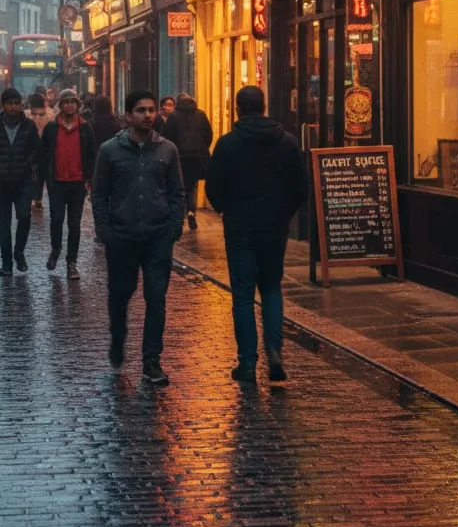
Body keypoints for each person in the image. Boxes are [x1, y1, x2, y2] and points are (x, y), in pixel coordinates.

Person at [205, 86, 307, 383]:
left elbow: (213, 186)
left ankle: (248, 362)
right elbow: (300, 186)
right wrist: (284, 213)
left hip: (240, 228)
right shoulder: (286, 142)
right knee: (272, 289)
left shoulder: (228, 145)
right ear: (263, 106)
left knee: (243, 295)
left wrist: (227, 209)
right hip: (274, 228)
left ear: (238, 108)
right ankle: (274, 351)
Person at [92, 90, 184, 386]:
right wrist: (105, 232)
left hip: (157, 236)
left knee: (156, 299)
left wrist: (173, 227)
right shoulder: (109, 151)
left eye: (151, 110)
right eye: (141, 110)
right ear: (129, 115)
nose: (148, 115)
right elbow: (99, 195)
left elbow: (177, 192)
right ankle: (118, 341)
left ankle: (151, 360)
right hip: (122, 236)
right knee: (120, 295)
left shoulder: (168, 150)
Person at [0, 88, 40, 276]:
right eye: (9, 103)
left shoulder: (29, 126)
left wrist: (28, 164)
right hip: (1, 183)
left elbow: (36, 149)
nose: (13, 107)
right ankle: (6, 262)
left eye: (16, 103)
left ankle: (19, 252)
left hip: (22, 181)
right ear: (3, 105)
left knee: (24, 217)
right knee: (3, 224)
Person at [39, 89, 96, 281]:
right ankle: (56, 249)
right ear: (61, 105)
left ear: (78, 105)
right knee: (56, 219)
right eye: (66, 102)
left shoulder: (86, 128)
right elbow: (44, 155)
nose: (70, 105)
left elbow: (91, 155)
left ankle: (72, 262)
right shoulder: (51, 128)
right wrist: (43, 182)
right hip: (57, 183)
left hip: (77, 184)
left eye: (73, 102)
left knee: (74, 225)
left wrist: (89, 179)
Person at [163, 92, 213, 232]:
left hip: (179, 156)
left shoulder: (173, 116)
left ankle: (179, 217)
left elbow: (168, 136)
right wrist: (202, 148)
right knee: (192, 185)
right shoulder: (200, 114)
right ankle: (191, 211)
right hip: (197, 156)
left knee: (179, 185)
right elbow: (208, 134)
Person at [26, 92, 50, 209]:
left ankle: (31, 196)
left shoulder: (26, 115)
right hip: (46, 147)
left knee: (31, 173)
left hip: (30, 147)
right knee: (41, 174)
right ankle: (38, 198)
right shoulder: (50, 114)